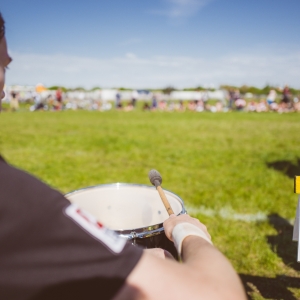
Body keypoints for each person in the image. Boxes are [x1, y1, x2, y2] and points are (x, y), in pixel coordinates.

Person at [0, 13, 246, 300]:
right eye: (4, 64)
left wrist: (126, 261)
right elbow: (218, 294)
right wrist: (190, 234)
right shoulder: (14, 197)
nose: (4, 93)